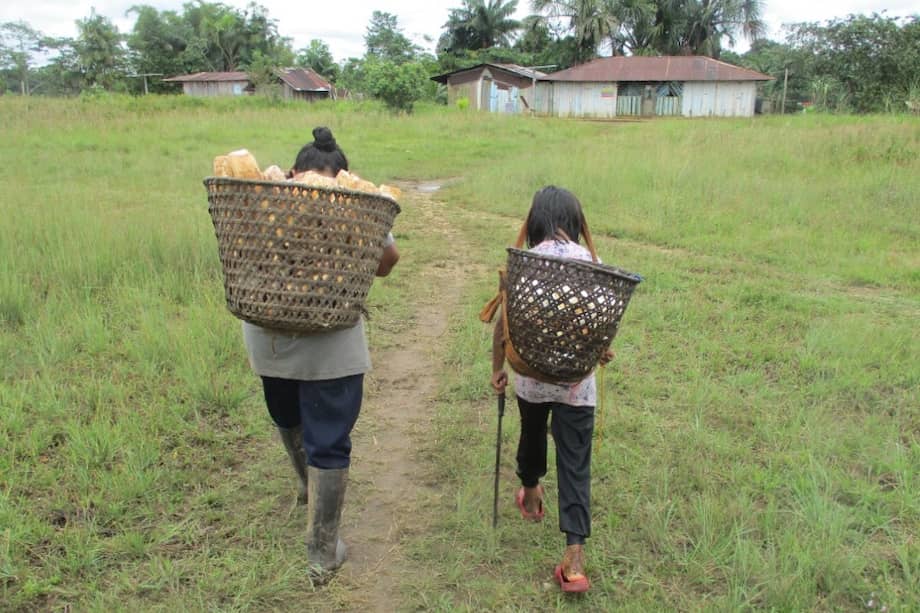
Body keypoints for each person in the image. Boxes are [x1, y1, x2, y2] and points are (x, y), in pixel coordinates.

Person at [242, 126, 399, 576]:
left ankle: (306, 488)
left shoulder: (264, 197)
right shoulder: (353, 204)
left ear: (294, 171)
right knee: (328, 438)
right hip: (331, 342)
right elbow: (387, 264)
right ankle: (323, 551)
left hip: (269, 336)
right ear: (344, 175)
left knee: (286, 414)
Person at [490, 186, 611, 594]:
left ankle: (530, 492)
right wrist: (600, 350)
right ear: (576, 223)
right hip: (577, 385)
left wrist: (497, 370)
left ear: (536, 221)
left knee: (530, 433)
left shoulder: (523, 265)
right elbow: (602, 326)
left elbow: (503, 326)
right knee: (575, 462)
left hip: (531, 380)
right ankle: (574, 560)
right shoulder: (594, 266)